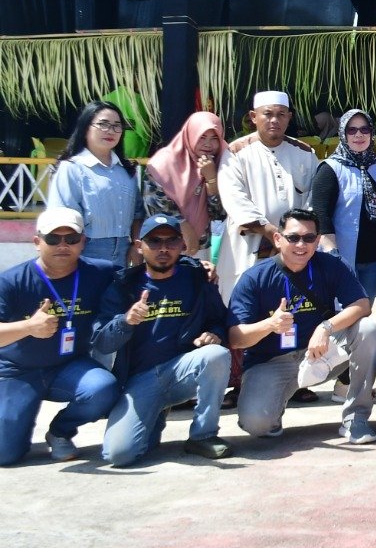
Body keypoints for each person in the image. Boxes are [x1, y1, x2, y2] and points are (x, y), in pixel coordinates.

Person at [227, 209, 376, 445]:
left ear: (318, 241)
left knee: (367, 330)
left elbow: (362, 305)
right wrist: (270, 324)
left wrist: (326, 327)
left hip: (320, 353)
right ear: (278, 239)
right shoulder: (254, 278)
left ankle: (356, 418)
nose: (302, 244)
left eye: (309, 238)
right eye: (293, 237)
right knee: (257, 424)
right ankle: (273, 407)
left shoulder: (330, 265)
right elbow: (236, 338)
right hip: (273, 362)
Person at [93, 214, 234, 464]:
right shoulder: (123, 285)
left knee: (217, 355)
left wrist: (216, 334)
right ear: (139, 246)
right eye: (154, 242)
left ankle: (203, 436)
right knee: (119, 455)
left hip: (182, 371)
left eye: (171, 241)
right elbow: (102, 342)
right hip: (140, 380)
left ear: (182, 244)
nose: (163, 249)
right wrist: (125, 321)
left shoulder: (198, 278)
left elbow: (220, 320)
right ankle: (155, 414)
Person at [0, 208, 120, 464]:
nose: (63, 246)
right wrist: (28, 328)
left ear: (83, 242)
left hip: (68, 366)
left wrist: (199, 268)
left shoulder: (101, 272)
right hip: (17, 370)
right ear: (37, 242)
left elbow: (150, 272)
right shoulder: (11, 281)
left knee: (102, 388)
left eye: (71, 239)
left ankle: (60, 432)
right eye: (53, 239)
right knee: (5, 454)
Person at [216, 91, 319, 299]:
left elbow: (313, 198)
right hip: (248, 247)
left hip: (293, 247)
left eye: (281, 114)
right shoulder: (235, 152)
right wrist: (271, 231)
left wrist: (291, 235)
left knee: (289, 307)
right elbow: (234, 199)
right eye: (268, 114)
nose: (274, 120)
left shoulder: (305, 153)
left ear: (289, 118)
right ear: (254, 117)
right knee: (244, 307)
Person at [46, 100, 141, 268]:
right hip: (85, 250)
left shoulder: (127, 171)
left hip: (123, 251)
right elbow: (62, 218)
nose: (110, 131)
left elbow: (137, 214)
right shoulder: (72, 168)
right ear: (86, 127)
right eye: (103, 124)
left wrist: (135, 245)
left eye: (117, 126)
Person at [311, 109, 376, 299]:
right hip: (342, 259)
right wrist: (333, 254)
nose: (359, 135)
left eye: (364, 129)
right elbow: (321, 214)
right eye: (352, 130)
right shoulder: (330, 168)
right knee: (342, 314)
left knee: (364, 312)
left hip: (374, 259)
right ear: (343, 134)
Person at [142, 110, 229, 256]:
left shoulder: (224, 163)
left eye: (214, 138)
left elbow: (219, 214)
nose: (208, 144)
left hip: (202, 247)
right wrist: (183, 226)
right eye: (202, 137)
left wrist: (211, 179)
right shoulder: (163, 163)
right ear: (190, 135)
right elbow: (154, 202)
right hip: (162, 245)